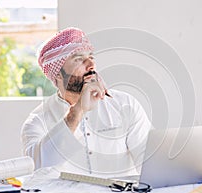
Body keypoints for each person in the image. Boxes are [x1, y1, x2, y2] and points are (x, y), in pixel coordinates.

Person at [21, 27, 152, 177]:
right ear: (57, 74)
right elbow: (36, 169)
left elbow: (151, 165)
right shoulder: (37, 121)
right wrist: (76, 113)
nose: (91, 65)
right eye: (78, 59)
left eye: (91, 57)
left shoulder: (125, 105)